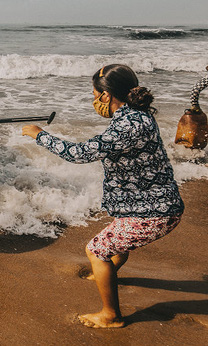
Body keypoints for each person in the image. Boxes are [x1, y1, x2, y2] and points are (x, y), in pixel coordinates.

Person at [21, 64, 184, 329]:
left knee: (96, 251)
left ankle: (111, 315)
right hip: (153, 204)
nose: (92, 99)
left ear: (106, 96)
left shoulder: (126, 126)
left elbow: (79, 154)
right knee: (113, 241)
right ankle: (108, 272)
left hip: (155, 211)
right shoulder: (138, 115)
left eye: (94, 93)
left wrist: (40, 135)